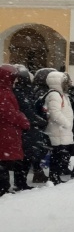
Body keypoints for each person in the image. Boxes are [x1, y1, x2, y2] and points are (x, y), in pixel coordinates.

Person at [0, 64, 31, 195]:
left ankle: (4, 186)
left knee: (4, 162)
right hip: (6, 132)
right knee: (4, 162)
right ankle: (3, 188)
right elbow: (9, 113)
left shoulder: (5, 91)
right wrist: (24, 121)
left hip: (6, 131)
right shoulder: (4, 93)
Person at [43, 71, 74, 185]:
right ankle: (54, 177)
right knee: (57, 156)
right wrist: (67, 124)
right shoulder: (55, 95)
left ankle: (55, 176)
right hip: (58, 130)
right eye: (65, 82)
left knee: (59, 156)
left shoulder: (61, 94)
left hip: (61, 130)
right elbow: (55, 113)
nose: (68, 84)